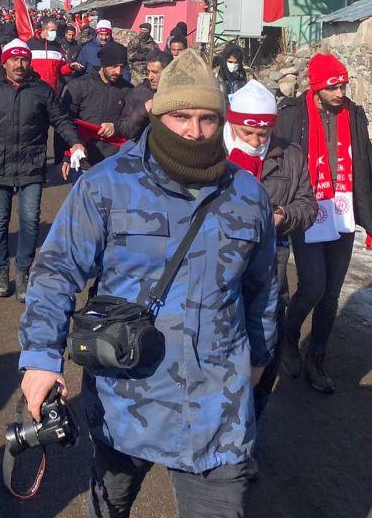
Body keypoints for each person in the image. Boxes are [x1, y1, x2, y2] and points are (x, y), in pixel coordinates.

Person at [18, 49, 275, 518]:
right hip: (126, 396)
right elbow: (56, 270)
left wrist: (258, 360)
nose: (194, 131)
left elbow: (263, 290)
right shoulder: (107, 185)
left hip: (217, 408)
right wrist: (40, 358)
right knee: (109, 505)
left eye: (207, 119)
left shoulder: (248, 195)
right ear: (157, 114)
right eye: (181, 116)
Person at [275, 53, 372, 394]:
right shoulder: (293, 115)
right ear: (316, 86)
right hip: (308, 209)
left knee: (331, 294)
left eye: (342, 85)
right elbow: (277, 162)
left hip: (343, 211)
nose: (340, 92)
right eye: (332, 86)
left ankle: (316, 357)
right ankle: (289, 336)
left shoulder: (353, 115)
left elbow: (366, 166)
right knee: (313, 285)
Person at [221, 80, 317, 416]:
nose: (255, 142)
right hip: (217, 270)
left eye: (263, 135)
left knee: (263, 352)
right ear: (231, 123)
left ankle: (251, 430)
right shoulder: (210, 153)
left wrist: (284, 216)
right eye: (247, 133)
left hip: (270, 271)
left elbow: (308, 205)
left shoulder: (289, 156)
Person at [0, 40, 85, 301]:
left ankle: (23, 271)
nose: (19, 65)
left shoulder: (41, 90)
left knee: (30, 221)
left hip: (31, 163)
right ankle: (0, 269)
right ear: (5, 62)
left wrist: (75, 141)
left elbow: (61, 119)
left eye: (24, 60)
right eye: (14, 60)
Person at [60, 40, 132, 172]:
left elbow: (131, 121)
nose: (118, 72)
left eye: (122, 67)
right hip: (83, 159)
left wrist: (115, 127)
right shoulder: (78, 86)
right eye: (114, 66)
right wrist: (66, 155)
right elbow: (65, 121)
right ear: (103, 64)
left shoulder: (127, 89)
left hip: (115, 161)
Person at [119, 49, 170, 140]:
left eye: (155, 72)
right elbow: (124, 129)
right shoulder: (138, 93)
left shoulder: (179, 93)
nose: (150, 77)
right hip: (144, 149)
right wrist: (143, 111)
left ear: (168, 72)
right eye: (148, 72)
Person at [75, 19, 133, 84]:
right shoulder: (87, 48)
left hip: (112, 87)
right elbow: (79, 70)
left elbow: (125, 72)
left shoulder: (118, 50)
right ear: (96, 34)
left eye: (107, 34)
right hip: (92, 86)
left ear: (110, 35)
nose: (103, 37)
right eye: (101, 34)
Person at [27, 18, 75, 91]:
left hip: (51, 89)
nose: (55, 33)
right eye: (52, 30)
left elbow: (60, 69)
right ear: (44, 30)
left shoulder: (57, 46)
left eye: (56, 30)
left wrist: (70, 67)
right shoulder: (30, 44)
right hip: (33, 89)